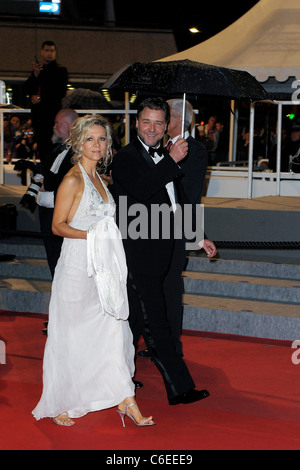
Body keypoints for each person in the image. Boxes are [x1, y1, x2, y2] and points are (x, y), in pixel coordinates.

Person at [32, 114, 154, 427]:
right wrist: (94, 236)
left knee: (114, 329)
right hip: (76, 265)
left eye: (102, 139)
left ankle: (126, 400)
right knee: (70, 335)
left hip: (103, 266)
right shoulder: (72, 179)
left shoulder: (101, 178)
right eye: (90, 139)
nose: (97, 144)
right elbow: (58, 226)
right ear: (78, 142)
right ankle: (62, 400)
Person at [111, 97, 210, 405]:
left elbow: (177, 204)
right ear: (136, 123)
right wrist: (172, 162)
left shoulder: (167, 156)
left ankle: (116, 378)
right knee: (155, 320)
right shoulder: (127, 157)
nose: (152, 129)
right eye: (146, 122)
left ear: (167, 125)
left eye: (158, 123)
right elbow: (140, 192)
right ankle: (179, 388)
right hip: (139, 251)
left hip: (166, 249)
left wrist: (197, 236)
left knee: (137, 322)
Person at [23, 40, 68, 163]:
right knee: (43, 152)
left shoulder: (60, 71)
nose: (49, 53)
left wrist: (41, 97)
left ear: (55, 53)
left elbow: (60, 92)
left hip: (53, 118)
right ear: (42, 52)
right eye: (47, 50)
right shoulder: (38, 71)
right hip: (39, 119)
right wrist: (35, 76)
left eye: (52, 51)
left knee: (53, 151)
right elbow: (26, 88)